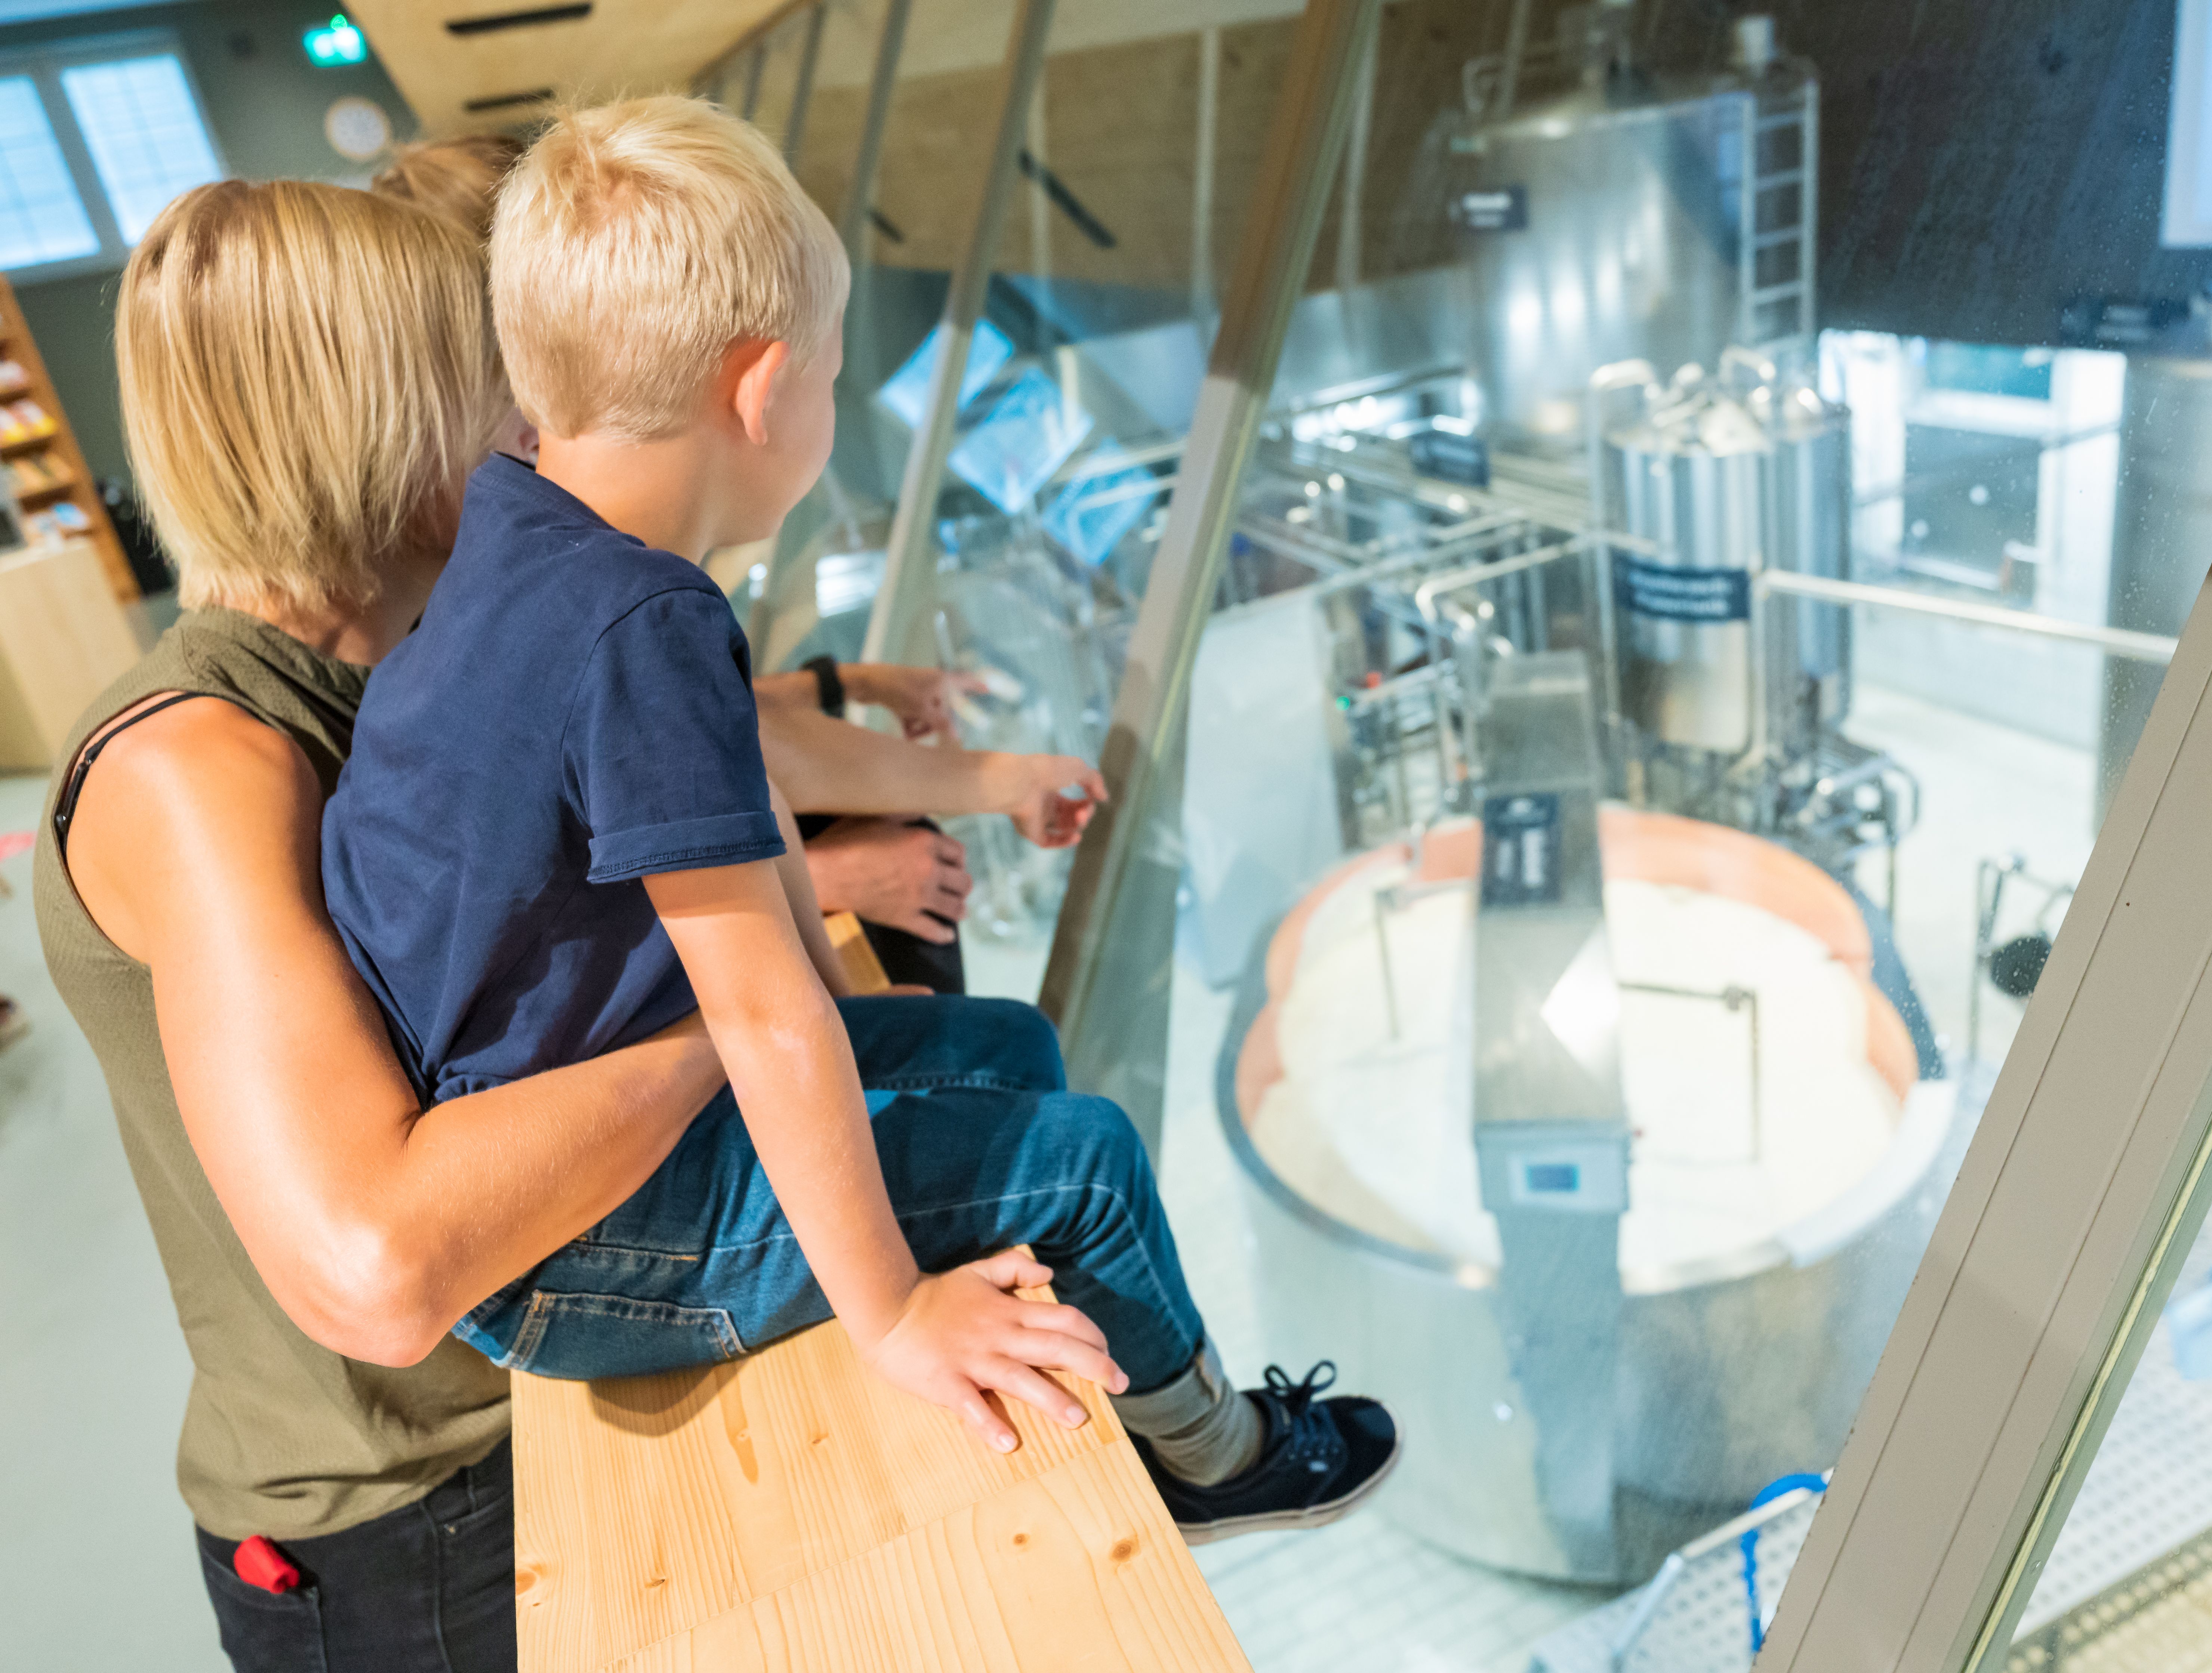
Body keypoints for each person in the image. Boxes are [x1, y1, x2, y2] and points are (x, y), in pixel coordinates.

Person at [40, 173, 1383, 1673]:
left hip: (522, 1374)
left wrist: (952, 785)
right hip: (404, 1518)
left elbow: (688, 748)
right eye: (493, 376)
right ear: (390, 412)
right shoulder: (202, 764)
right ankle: (1216, 1447)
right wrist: (734, 1019)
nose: (533, 421)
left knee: (998, 1068)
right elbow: (377, 1267)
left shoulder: (435, 641)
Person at [321, 96, 1397, 1517]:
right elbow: (768, 1012)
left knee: (1007, 1040)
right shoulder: (645, 617)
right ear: (764, 390)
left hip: (561, 1154)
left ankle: (1112, 1346)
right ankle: (1221, 1455)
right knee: (1087, 1164)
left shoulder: (522, 526)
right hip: (576, 1249)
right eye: (832, 377)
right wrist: (893, 1311)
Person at [375, 134, 1029, 993]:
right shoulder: (620, 595)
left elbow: (677, 734)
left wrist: (846, 684)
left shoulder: (511, 545)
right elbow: (669, 795)